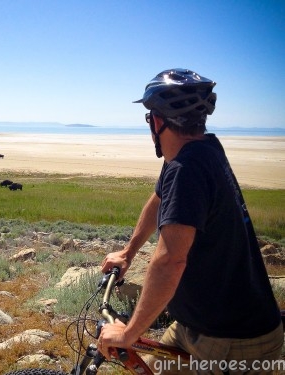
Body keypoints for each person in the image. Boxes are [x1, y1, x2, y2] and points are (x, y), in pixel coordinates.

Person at [97, 68, 283, 374]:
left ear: (156, 122)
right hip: (196, 327)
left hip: (232, 341)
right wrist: (127, 253)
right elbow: (158, 200)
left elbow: (171, 260)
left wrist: (128, 333)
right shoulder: (200, 151)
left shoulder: (188, 167)